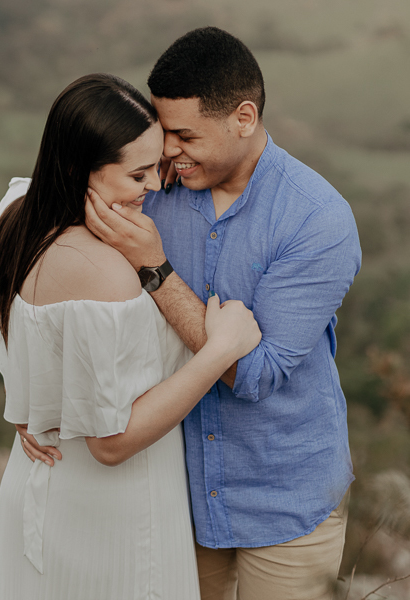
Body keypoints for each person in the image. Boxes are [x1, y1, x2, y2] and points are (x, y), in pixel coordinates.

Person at [64, 27, 360, 600]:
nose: (167, 149)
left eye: (184, 135)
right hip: (171, 492)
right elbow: (49, 258)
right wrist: (36, 394)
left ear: (243, 118)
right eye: (162, 129)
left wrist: (156, 269)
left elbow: (256, 374)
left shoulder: (317, 219)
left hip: (285, 502)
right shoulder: (148, 184)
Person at [0, 73, 261, 600]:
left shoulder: (17, 211)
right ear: (77, 170)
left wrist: (25, 394)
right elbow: (111, 442)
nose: (157, 186)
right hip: (115, 514)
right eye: (138, 174)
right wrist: (220, 350)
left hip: (39, 486)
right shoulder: (102, 272)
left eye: (157, 165)